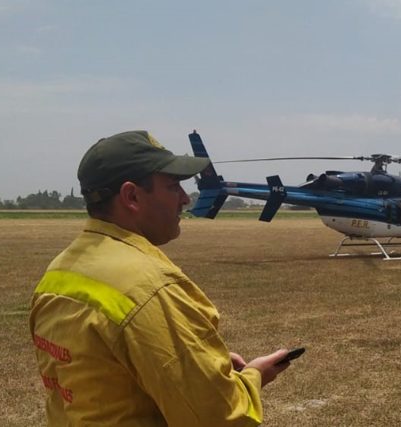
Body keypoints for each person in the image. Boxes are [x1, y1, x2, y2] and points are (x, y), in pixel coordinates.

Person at [30, 130, 292, 426]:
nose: (184, 198)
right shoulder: (149, 286)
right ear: (132, 196)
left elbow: (97, 372)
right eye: (172, 186)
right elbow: (218, 417)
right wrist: (253, 377)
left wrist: (198, 362)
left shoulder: (59, 271)